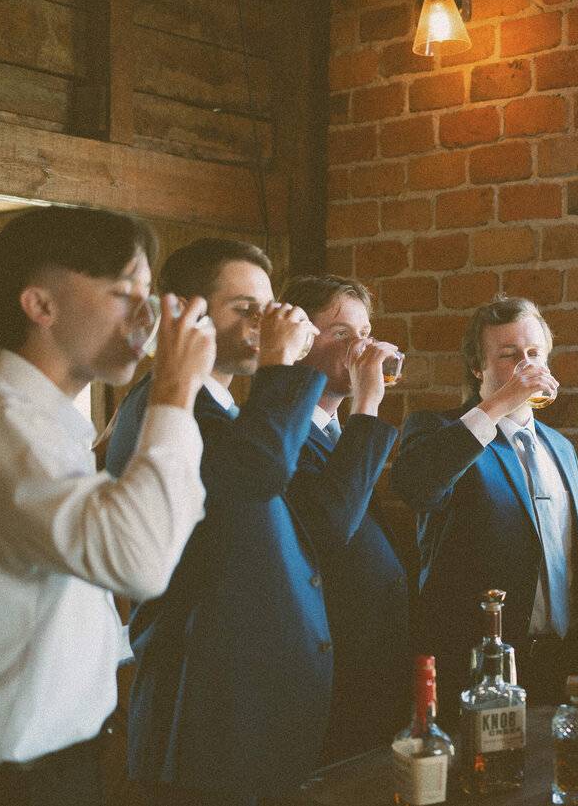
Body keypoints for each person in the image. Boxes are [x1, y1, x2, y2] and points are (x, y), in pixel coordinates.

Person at [0, 207, 213, 805]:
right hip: (10, 780)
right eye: (124, 292)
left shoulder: (52, 426)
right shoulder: (1, 422)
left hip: (64, 763)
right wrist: (175, 391)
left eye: (149, 294)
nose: (147, 317)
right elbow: (141, 562)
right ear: (40, 306)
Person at [104, 239, 332, 805]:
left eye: (269, 308)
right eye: (246, 309)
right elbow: (258, 471)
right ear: (186, 312)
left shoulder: (221, 407)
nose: (265, 323)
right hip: (204, 705)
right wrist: (281, 362)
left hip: (241, 705)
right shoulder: (166, 407)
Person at [391, 296, 578, 719]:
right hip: (481, 669)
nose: (526, 365)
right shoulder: (438, 431)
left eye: (534, 354)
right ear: (478, 368)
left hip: (564, 663)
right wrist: (500, 403)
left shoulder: (561, 447)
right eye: (508, 355)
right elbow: (418, 487)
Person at [279, 274, 407, 762]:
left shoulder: (336, 430)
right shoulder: (283, 431)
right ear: (299, 345)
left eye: (365, 331)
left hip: (373, 657)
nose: (362, 346)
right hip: (326, 663)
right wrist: (368, 403)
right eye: (341, 333)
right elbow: (330, 525)